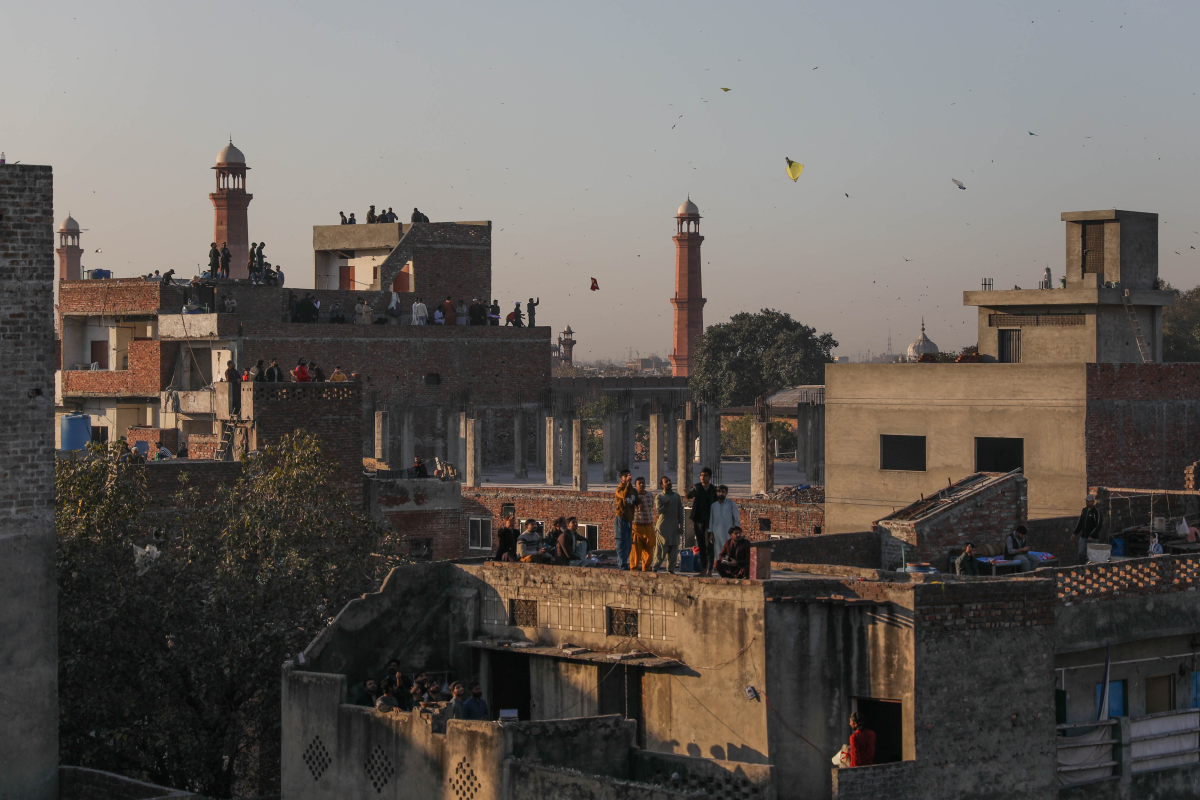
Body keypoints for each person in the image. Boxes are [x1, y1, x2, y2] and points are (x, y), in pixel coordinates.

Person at [686, 467, 719, 576]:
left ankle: (710, 570)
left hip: (709, 521)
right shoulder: (698, 487)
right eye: (701, 475)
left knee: (709, 546)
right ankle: (703, 569)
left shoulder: (713, 490)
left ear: (709, 477)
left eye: (705, 475)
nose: (702, 477)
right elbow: (691, 495)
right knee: (701, 545)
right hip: (698, 520)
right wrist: (687, 493)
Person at [655, 476, 684, 574]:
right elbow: (659, 511)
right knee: (661, 551)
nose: (668, 482)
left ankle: (671, 570)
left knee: (674, 550)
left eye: (669, 481)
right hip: (663, 528)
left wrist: (681, 526)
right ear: (662, 485)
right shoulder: (660, 497)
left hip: (674, 528)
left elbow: (680, 512)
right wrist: (665, 506)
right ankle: (655, 569)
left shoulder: (676, 496)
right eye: (666, 482)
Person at [630, 476, 657, 571]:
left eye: (643, 483)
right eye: (639, 483)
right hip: (637, 525)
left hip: (648, 524)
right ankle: (634, 568)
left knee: (649, 548)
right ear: (635, 485)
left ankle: (646, 567)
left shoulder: (650, 495)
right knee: (636, 549)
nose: (642, 485)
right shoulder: (633, 496)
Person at [709, 484, 741, 557]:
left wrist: (735, 532)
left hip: (728, 532)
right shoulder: (714, 506)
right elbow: (711, 520)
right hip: (716, 533)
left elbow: (736, 518)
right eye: (719, 492)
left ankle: (728, 567)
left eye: (723, 492)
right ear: (717, 493)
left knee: (729, 551)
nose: (721, 493)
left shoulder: (731, 504)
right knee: (718, 552)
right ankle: (719, 567)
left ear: (726, 493)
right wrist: (711, 534)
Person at [614, 470, 637, 570]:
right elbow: (624, 495)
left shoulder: (633, 490)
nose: (629, 477)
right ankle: (622, 564)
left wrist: (639, 504)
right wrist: (627, 485)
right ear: (621, 479)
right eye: (626, 476)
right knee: (621, 543)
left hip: (629, 519)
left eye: (629, 475)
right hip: (621, 519)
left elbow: (636, 498)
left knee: (628, 544)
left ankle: (624, 562)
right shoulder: (619, 490)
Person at [1072, 495, 1103, 560]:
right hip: (1083, 537)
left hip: (1093, 538)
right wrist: (1075, 533)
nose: (1087, 502)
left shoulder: (1096, 512)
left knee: (1092, 555)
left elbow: (1099, 525)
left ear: (1093, 502)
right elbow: (1080, 523)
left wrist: (1092, 535)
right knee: (1081, 553)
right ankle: (1083, 567)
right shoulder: (1084, 510)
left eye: (1089, 501)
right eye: (1086, 501)